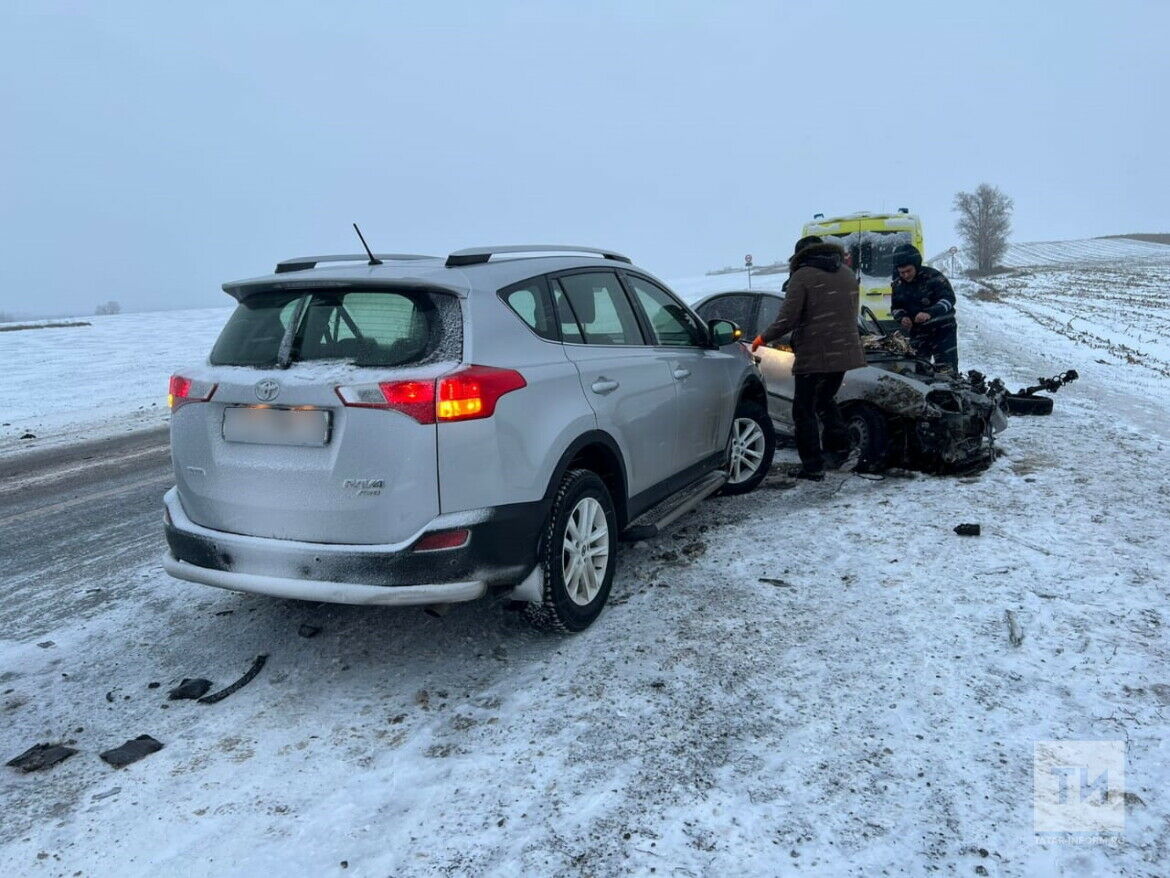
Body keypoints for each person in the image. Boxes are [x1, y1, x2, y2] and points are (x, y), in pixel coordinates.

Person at [752, 236, 866, 481]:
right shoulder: (846, 273)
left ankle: (813, 466)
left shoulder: (802, 276)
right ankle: (841, 450)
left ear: (800, 255)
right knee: (825, 400)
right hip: (844, 351)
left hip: (815, 353)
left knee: (803, 410)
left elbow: (787, 319)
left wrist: (762, 338)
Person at [890, 244, 958, 372]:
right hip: (918, 332)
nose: (905, 275)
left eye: (908, 271)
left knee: (947, 370)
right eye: (901, 272)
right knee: (918, 368)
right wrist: (902, 317)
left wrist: (930, 313)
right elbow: (895, 307)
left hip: (943, 330)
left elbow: (949, 299)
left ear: (916, 265)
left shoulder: (934, 277)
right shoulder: (898, 285)